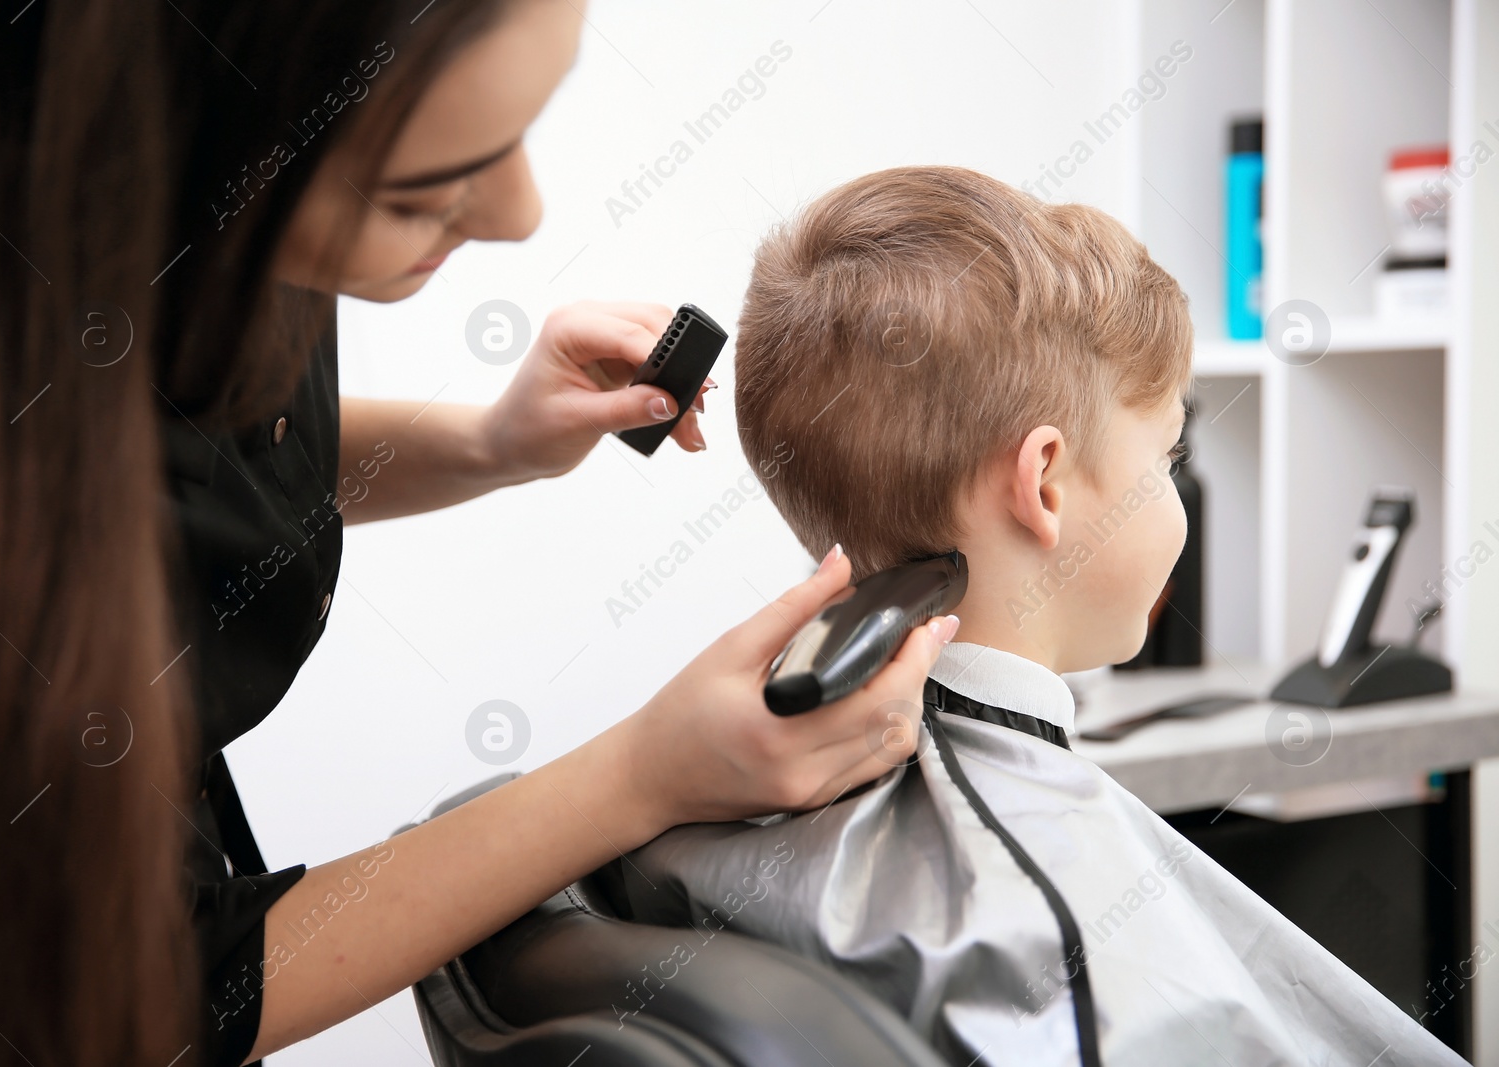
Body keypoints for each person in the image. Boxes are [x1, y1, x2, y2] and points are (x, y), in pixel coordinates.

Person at [0, 3, 958, 1064]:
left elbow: (194, 459)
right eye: (422, 191)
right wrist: (644, 776)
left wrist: (492, 443)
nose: (521, 215)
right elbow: (175, 990)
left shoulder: (205, 254)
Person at [616, 166, 1468, 1066]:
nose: (1175, 484)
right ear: (1046, 484)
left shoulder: (689, 816)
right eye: (1167, 450)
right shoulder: (1055, 939)